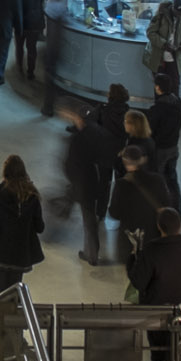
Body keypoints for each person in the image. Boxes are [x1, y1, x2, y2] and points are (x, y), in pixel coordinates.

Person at [129, 208, 181, 361]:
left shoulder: (152, 250)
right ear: (180, 225)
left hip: (160, 313)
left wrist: (133, 256)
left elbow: (138, 281)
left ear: (159, 227)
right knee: (178, 343)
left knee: (159, 350)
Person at [56, 105, 117, 266]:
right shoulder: (104, 135)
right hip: (97, 181)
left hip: (83, 181)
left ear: (81, 120)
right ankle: (63, 211)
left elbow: (70, 163)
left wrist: (71, 176)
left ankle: (91, 255)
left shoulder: (78, 138)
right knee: (87, 212)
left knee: (88, 218)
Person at [0, 155, 45, 293]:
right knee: (15, 291)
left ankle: (2, 312)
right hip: (20, 254)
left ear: (5, 173)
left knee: (1, 293)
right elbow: (40, 227)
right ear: (24, 173)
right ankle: (14, 311)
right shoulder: (31, 195)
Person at [109, 144, 169, 268]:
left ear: (125, 163)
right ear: (143, 160)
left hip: (130, 243)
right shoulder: (158, 180)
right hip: (152, 240)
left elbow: (114, 213)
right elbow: (167, 205)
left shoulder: (121, 185)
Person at [148, 73, 181, 210]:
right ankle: (177, 210)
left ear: (158, 88)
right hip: (173, 147)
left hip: (160, 150)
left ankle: (160, 211)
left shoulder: (158, 109)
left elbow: (151, 130)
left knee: (158, 181)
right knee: (172, 181)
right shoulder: (178, 102)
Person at [144, 0, 181, 80]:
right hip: (159, 57)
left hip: (175, 58)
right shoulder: (161, 15)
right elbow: (150, 33)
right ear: (172, 8)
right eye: (178, 12)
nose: (180, 14)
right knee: (160, 88)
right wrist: (164, 44)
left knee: (175, 85)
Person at [17, 0, 46, 80]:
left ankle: (20, 67)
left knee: (19, 46)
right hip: (35, 24)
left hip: (21, 24)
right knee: (32, 48)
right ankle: (30, 72)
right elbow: (44, 5)